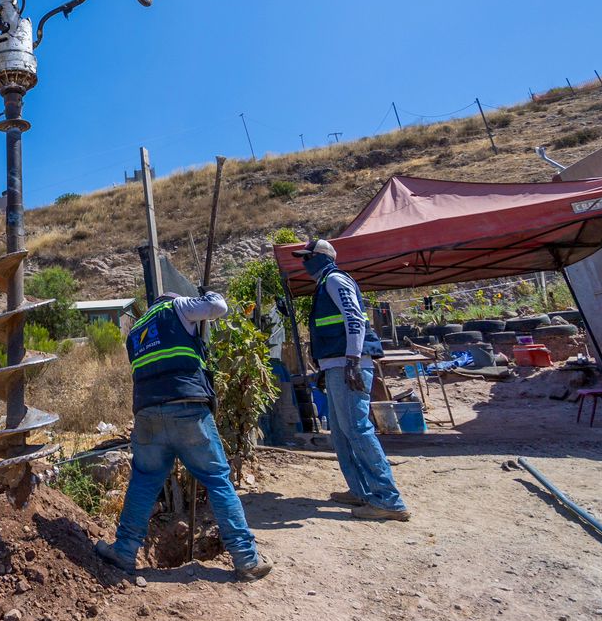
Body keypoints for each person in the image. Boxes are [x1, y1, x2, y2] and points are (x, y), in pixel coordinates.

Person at [95, 289, 272, 581]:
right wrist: (208, 294)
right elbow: (218, 306)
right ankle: (246, 559)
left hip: (147, 414)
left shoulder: (135, 330)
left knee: (143, 481)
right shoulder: (177, 307)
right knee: (216, 479)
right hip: (187, 409)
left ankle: (124, 551)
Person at [295, 237, 410, 522]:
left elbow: (354, 319)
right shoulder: (325, 283)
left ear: (322, 256)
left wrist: (352, 359)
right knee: (341, 432)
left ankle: (388, 499)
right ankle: (362, 490)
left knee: (357, 429)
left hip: (349, 364)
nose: (304, 263)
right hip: (337, 365)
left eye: (307, 257)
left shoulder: (335, 280)